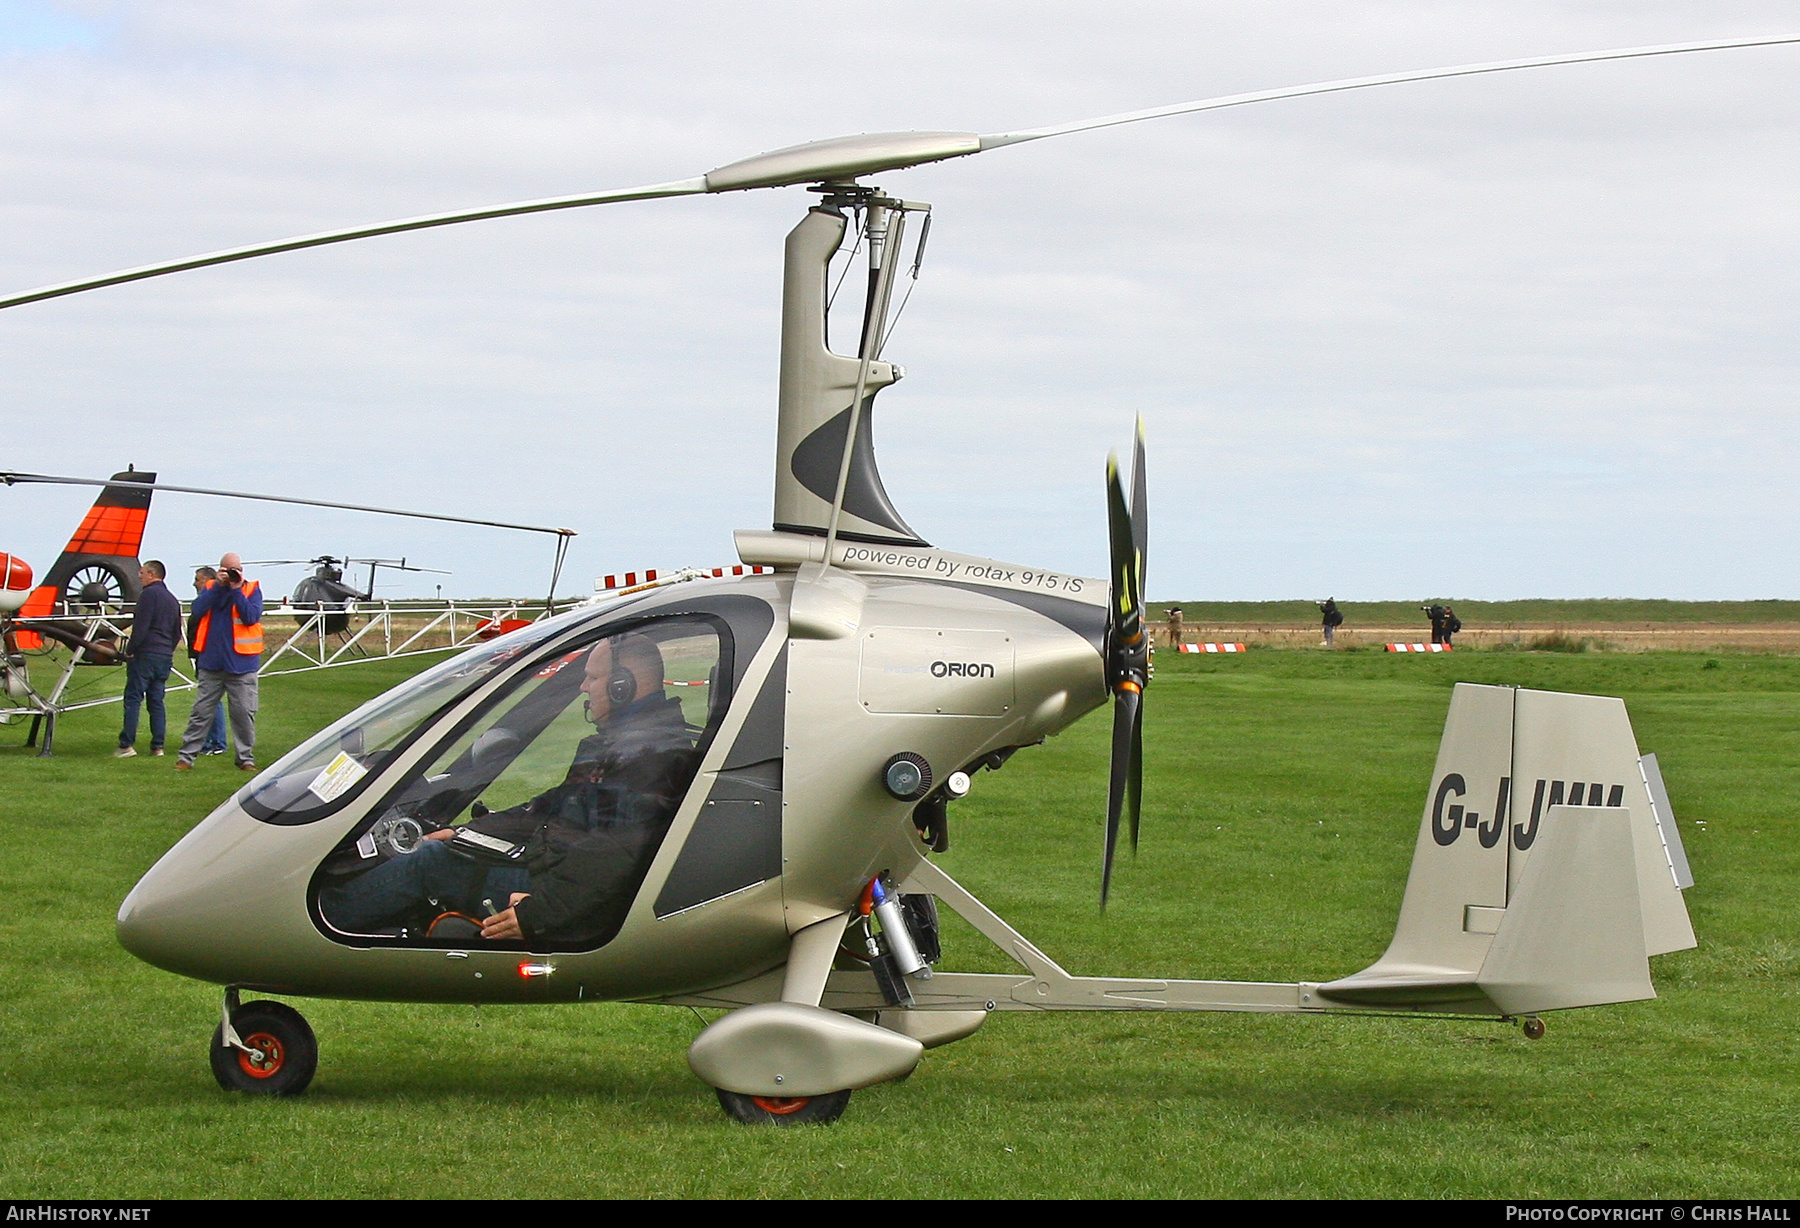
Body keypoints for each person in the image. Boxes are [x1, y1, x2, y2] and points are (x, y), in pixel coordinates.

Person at [319, 634, 697, 948]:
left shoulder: (652, 755)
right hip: (560, 872)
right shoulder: (621, 743)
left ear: (622, 686)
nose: (584, 687)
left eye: (592, 679)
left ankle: (325, 923)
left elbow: (617, 854)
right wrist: (468, 833)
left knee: (431, 863)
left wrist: (541, 912)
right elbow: (550, 807)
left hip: (567, 893)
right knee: (445, 848)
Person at [176, 552, 263, 771]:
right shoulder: (210, 589)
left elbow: (251, 617)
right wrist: (218, 586)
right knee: (201, 712)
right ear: (219, 570)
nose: (232, 574)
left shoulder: (251, 589)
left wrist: (236, 591)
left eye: (236, 570)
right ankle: (186, 757)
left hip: (242, 665)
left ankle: (245, 758)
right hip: (212, 663)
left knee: (244, 714)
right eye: (227, 570)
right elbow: (197, 610)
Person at [115, 560, 184, 758]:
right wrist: (167, 650)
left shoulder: (148, 595)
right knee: (156, 701)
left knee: (133, 698)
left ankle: (126, 744)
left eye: (143, 573)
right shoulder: (172, 600)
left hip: (145, 654)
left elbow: (141, 626)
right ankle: (158, 746)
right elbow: (176, 632)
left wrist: (130, 649)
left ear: (153, 574)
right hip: (163, 656)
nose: (139, 576)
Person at [189, 566, 229, 756]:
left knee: (210, 701)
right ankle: (213, 741)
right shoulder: (204, 601)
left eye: (197, 579)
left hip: (208, 656)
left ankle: (216, 742)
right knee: (211, 701)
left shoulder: (211, 602)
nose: (194, 583)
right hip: (202, 654)